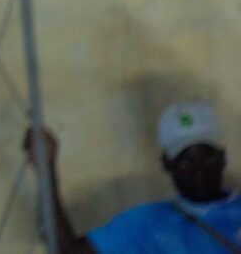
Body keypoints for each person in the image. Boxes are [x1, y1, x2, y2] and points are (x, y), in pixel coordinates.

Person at [24, 101, 241, 253]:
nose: (198, 170)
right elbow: (68, 252)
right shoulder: (147, 222)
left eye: (206, 156)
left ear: (222, 158)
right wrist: (46, 170)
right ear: (166, 164)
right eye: (185, 159)